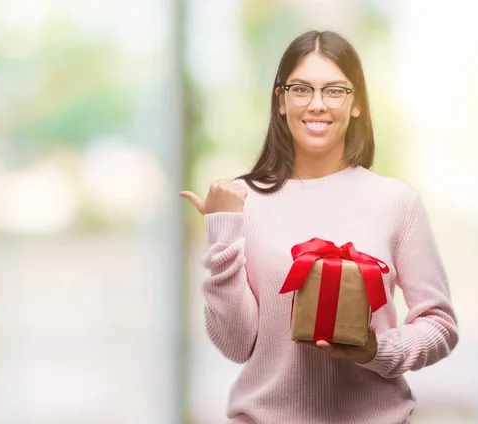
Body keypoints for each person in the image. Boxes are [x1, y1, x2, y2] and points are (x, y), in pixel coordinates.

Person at [179, 30, 458, 424]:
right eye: (301, 89)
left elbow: (440, 324)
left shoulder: (396, 202)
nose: (316, 104)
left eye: (334, 91)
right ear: (281, 101)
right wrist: (223, 229)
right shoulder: (242, 202)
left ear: (356, 102)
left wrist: (375, 350)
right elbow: (236, 345)